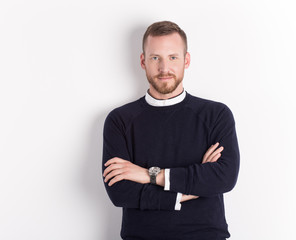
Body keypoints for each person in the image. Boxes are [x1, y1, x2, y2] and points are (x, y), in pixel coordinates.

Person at [102, 21, 240, 240]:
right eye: (155, 58)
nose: (164, 68)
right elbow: (120, 192)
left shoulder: (216, 115)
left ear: (186, 61)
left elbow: (224, 178)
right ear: (142, 61)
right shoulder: (119, 120)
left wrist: (147, 175)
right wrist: (194, 187)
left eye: (173, 57)